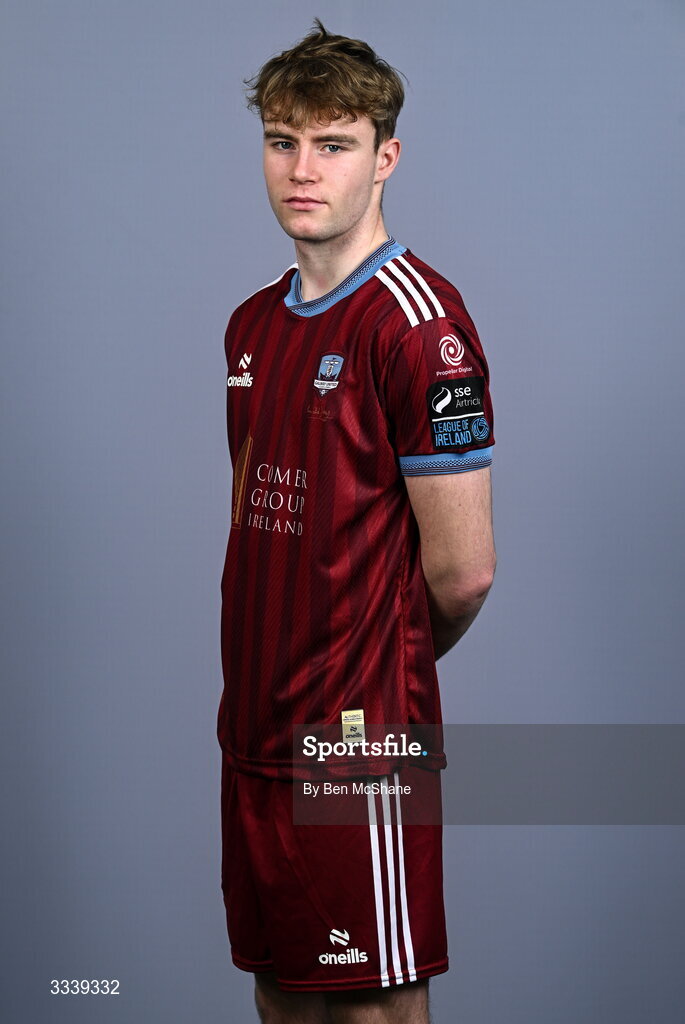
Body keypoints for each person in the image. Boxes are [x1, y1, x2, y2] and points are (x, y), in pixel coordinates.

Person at [217, 18, 496, 1023]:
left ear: (385, 158)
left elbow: (461, 574)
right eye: (281, 141)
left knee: (370, 1006)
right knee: (281, 993)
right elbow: (263, 518)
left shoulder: (420, 327)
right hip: (253, 732)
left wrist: (374, 671)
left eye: (332, 144)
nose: (302, 169)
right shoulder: (252, 324)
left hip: (356, 745)